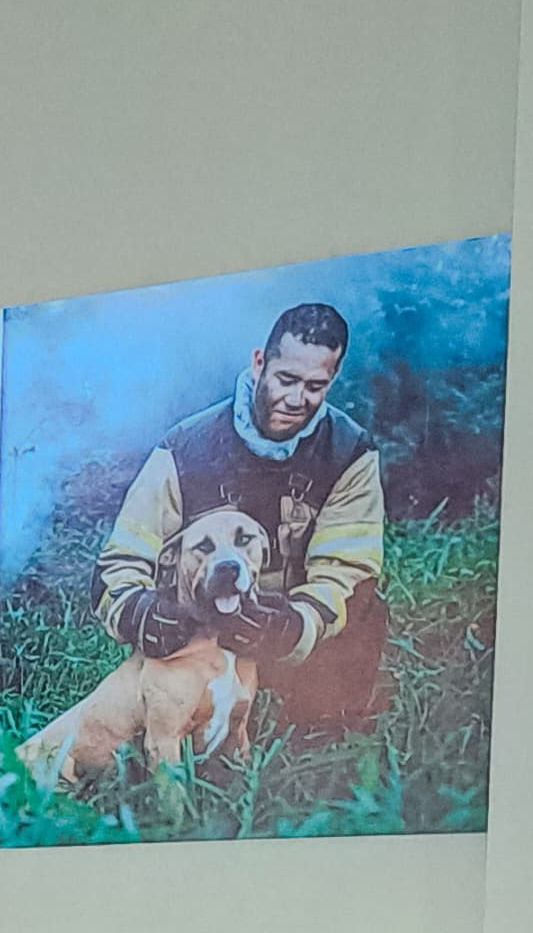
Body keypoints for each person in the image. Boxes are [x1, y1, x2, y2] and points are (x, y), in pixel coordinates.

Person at [95, 300, 388, 730]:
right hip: (195, 637)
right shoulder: (186, 447)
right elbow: (119, 564)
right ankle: (174, 726)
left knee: (368, 610)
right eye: (286, 379)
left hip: (289, 640)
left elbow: (350, 575)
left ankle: (321, 730)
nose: (296, 399)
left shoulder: (350, 453)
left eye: (315, 386)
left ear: (334, 378)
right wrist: (142, 615)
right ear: (259, 362)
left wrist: (292, 626)